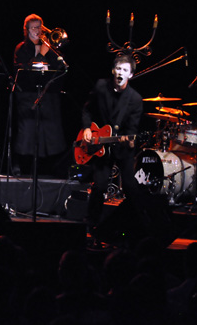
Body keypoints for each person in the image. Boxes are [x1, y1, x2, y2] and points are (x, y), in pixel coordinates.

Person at [80, 53, 144, 230]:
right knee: (99, 185)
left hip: (122, 148)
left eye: (124, 70)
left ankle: (138, 224)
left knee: (130, 186)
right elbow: (87, 110)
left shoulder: (135, 99)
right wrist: (87, 128)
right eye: (118, 68)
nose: (120, 72)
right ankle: (91, 224)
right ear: (112, 70)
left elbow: (132, 129)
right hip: (101, 144)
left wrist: (129, 141)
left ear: (130, 75)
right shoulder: (101, 86)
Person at [12, 13, 67, 176]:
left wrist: (49, 52)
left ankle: (49, 170)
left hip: (48, 96)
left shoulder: (50, 47)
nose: (37, 31)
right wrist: (40, 55)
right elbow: (23, 72)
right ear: (27, 30)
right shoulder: (21, 48)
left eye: (39, 27)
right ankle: (23, 168)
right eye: (33, 28)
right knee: (27, 136)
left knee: (51, 136)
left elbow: (61, 68)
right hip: (28, 98)